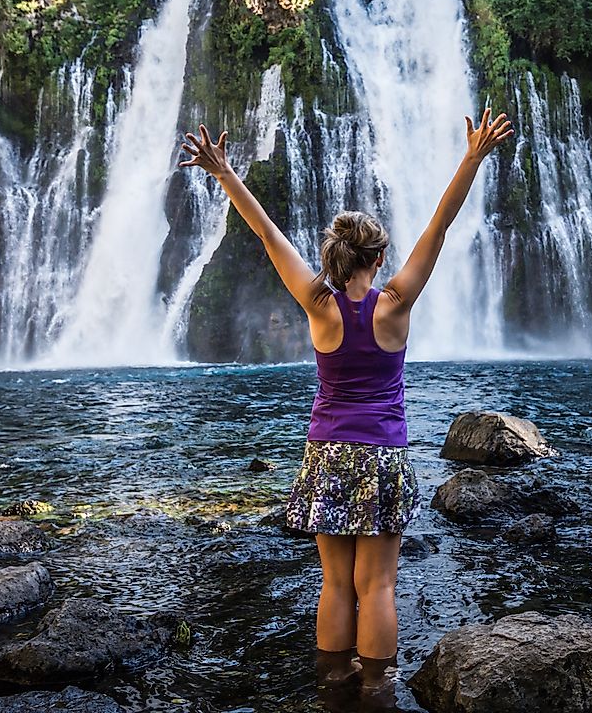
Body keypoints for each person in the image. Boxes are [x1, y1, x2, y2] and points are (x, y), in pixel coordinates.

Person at [178, 109, 514, 699]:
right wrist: (472, 157)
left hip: (326, 453)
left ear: (336, 255)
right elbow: (439, 225)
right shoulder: (396, 304)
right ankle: (378, 690)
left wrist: (224, 171)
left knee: (335, 585)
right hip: (382, 455)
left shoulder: (317, 304)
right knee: (378, 587)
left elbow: (265, 233)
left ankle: (333, 684)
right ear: (378, 258)